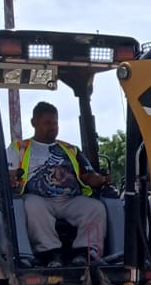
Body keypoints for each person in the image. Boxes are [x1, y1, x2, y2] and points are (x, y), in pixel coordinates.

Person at [7, 100, 113, 265]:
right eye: (47, 123)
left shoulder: (70, 149)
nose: (53, 127)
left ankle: (85, 253)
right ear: (34, 122)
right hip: (39, 199)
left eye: (55, 123)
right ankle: (50, 253)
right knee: (31, 205)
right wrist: (11, 179)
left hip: (69, 200)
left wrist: (100, 179)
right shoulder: (19, 148)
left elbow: (88, 176)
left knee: (95, 207)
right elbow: (10, 174)